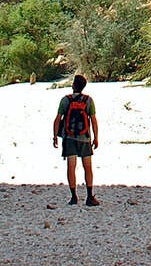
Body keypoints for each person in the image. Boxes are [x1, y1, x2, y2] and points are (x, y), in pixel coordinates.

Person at [54, 74, 99, 205]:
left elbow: (57, 119)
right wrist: (96, 138)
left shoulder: (65, 100)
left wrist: (55, 136)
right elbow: (94, 121)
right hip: (84, 138)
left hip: (69, 138)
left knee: (71, 167)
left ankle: (74, 197)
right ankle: (90, 196)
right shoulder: (88, 100)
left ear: (73, 85)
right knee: (87, 167)